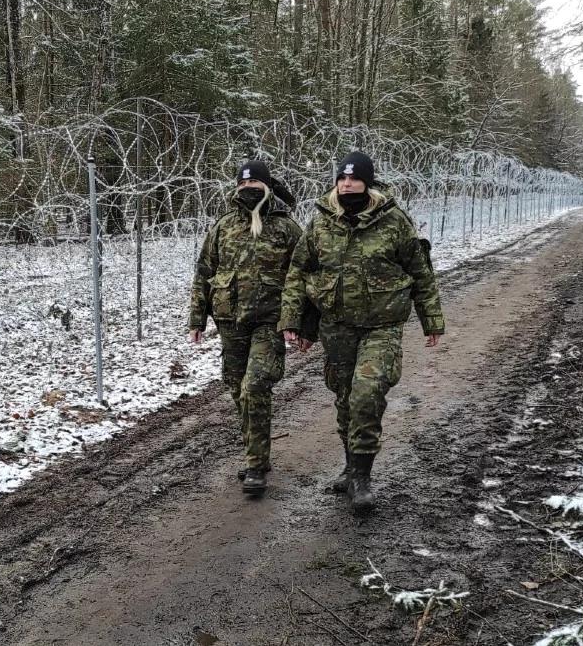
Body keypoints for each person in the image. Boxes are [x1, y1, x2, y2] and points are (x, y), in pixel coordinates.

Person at [278, 151, 444, 512]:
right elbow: (298, 272)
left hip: (381, 326)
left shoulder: (394, 222)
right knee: (344, 397)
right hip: (336, 326)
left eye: (354, 178)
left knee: (367, 393)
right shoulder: (321, 222)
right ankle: (351, 465)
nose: (347, 183)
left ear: (368, 182)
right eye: (342, 178)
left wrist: (431, 318)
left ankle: (362, 477)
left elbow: (420, 272)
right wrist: (292, 319)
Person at [188, 160, 302, 494]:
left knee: (255, 386)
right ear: (236, 188)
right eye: (243, 185)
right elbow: (204, 272)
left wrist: (299, 322)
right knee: (237, 389)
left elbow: (302, 277)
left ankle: (254, 467)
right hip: (230, 322)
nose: (249, 190)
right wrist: (197, 318)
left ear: (268, 187)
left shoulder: (286, 228)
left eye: (256, 185)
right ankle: (259, 454)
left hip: (270, 322)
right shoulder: (223, 227)